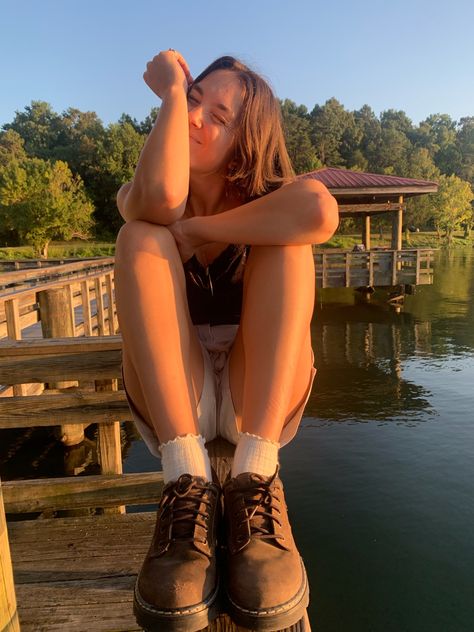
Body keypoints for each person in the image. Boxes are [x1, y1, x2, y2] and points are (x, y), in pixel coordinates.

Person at [114, 49, 338, 632]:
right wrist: (167, 92)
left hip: (253, 401)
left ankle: (254, 477)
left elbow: (318, 210)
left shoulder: (268, 199)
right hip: (176, 402)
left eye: (219, 116)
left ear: (246, 140)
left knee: (290, 244)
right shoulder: (146, 186)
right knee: (138, 236)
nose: (196, 120)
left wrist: (195, 231)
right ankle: (184, 483)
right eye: (193, 101)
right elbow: (159, 203)